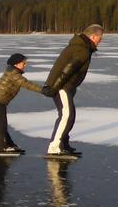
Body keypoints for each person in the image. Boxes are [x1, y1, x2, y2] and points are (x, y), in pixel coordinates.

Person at [43, 24, 103, 158]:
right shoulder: (82, 50)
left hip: (66, 86)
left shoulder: (81, 47)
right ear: (93, 36)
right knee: (66, 115)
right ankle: (54, 146)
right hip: (62, 86)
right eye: (100, 37)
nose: (101, 40)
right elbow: (67, 70)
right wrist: (54, 87)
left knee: (70, 115)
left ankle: (63, 144)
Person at [0, 52, 49, 156]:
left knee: (2, 125)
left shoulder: (13, 72)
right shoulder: (13, 74)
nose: (25, 64)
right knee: (1, 125)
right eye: (23, 63)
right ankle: (0, 148)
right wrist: (42, 90)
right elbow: (26, 84)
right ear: (16, 64)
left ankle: (9, 145)